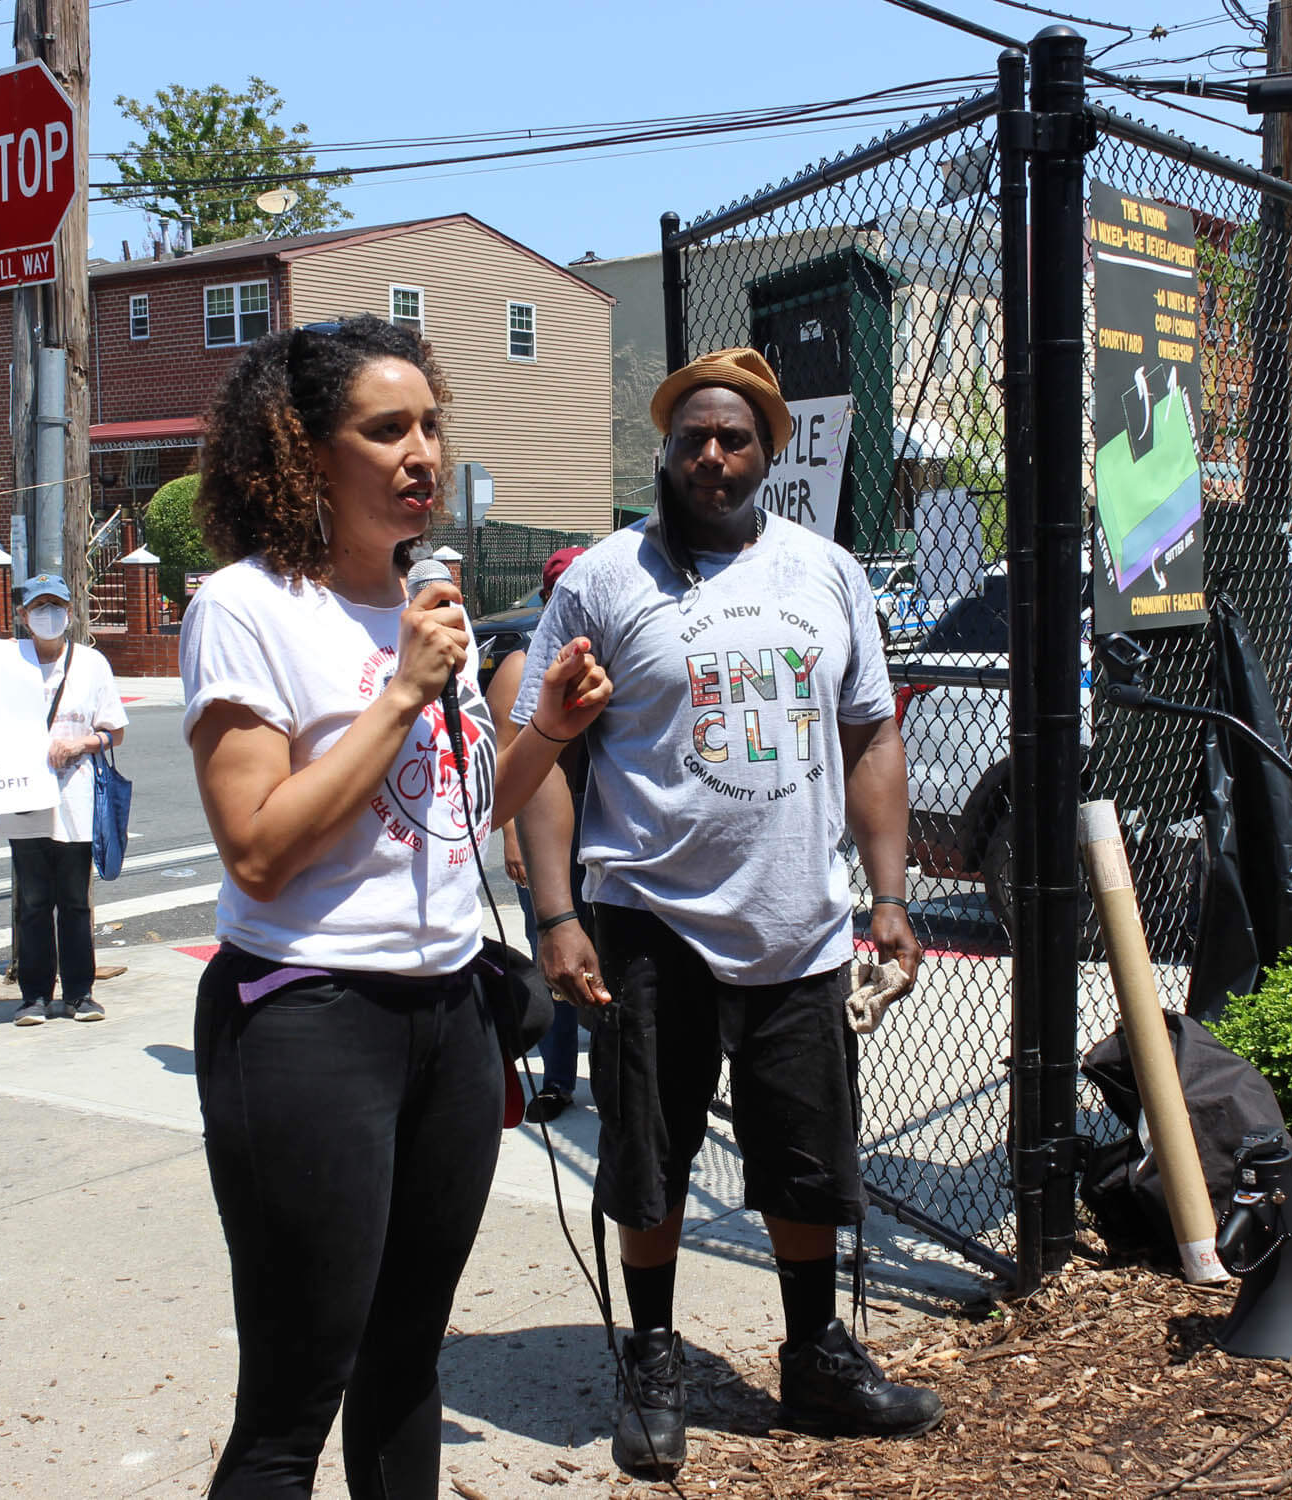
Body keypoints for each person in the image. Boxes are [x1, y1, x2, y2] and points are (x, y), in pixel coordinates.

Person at [180, 314, 610, 1499]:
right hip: (308, 1020)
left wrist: (548, 735)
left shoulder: (428, 613)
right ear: (307, 453)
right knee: (293, 1396)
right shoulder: (248, 607)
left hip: (450, 1022)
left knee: (405, 1362)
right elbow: (259, 850)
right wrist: (404, 692)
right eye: (388, 429)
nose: (422, 451)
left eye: (430, 424)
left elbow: (453, 817)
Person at [511, 348, 940, 1478]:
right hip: (651, 919)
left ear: (770, 453)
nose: (711, 455)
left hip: (799, 923)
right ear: (664, 448)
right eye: (692, 436)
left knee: (806, 1163)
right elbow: (544, 754)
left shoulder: (829, 573)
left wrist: (888, 893)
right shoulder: (602, 581)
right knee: (648, 1159)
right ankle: (651, 1355)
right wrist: (556, 914)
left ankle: (812, 1360)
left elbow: (870, 733)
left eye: (735, 438)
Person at [484, 544, 586, 1122]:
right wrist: (515, 840)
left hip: (602, 828)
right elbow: (505, 751)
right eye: (561, 594)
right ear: (548, 598)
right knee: (552, 947)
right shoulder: (522, 666)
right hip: (545, 827)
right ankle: (559, 1079)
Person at [0, 574, 127, 1026]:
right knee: (32, 902)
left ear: (70, 613)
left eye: (57, 606)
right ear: (23, 615)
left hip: (75, 802)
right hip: (24, 803)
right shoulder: (7, 664)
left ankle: (80, 994)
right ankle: (34, 997)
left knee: (74, 900)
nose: (48, 615)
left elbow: (116, 730)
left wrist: (80, 745)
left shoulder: (91, 664)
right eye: (39, 607)